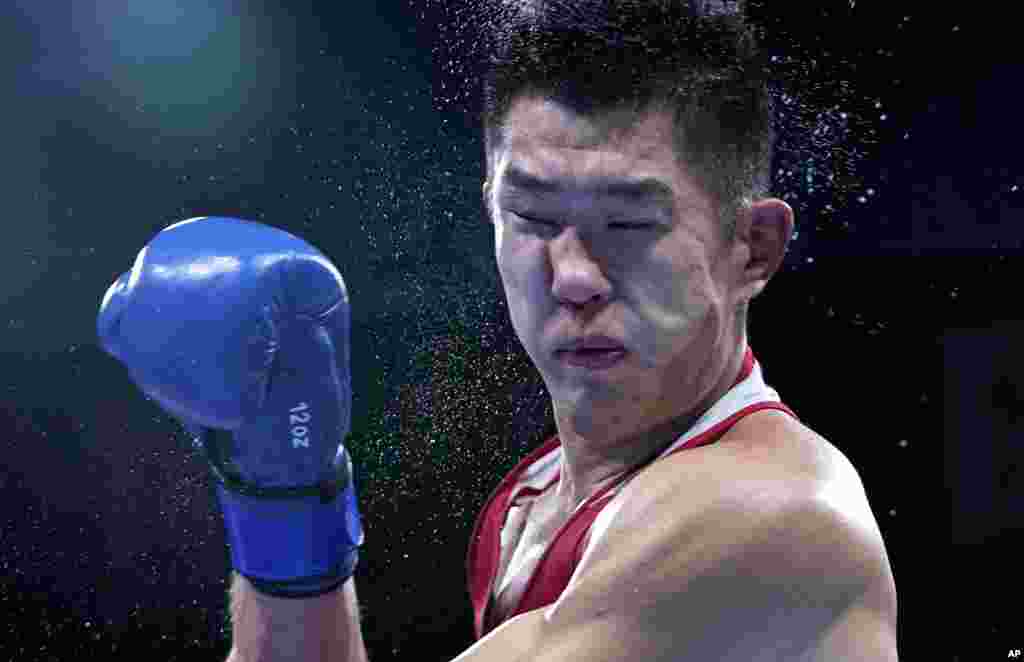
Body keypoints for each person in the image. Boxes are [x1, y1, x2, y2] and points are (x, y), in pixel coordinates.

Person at [97, 1, 898, 660]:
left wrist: (280, 500)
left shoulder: (769, 516)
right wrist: (284, 485)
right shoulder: (535, 499)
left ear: (751, 249)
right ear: (490, 210)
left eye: (627, 223)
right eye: (535, 217)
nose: (574, 274)